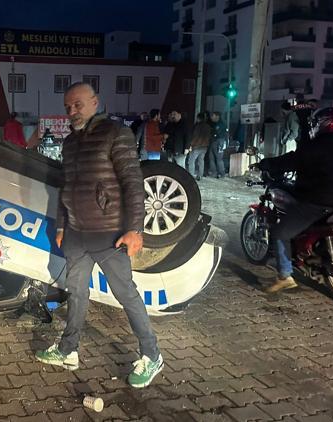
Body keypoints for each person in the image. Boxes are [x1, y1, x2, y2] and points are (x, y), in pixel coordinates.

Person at [35, 82, 162, 389]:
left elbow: (133, 183)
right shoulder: (70, 143)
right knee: (76, 293)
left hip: (110, 234)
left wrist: (135, 229)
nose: (71, 112)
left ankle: (152, 355)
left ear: (95, 102)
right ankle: (68, 350)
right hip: (77, 235)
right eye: (67, 107)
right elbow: (66, 187)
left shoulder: (116, 133)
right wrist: (63, 226)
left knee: (126, 295)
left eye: (77, 104)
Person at [252, 107, 333, 293]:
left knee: (280, 232)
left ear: (323, 124)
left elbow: (291, 160)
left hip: (320, 202)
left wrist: (266, 164)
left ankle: (284, 276)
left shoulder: (317, 147)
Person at [188, 112, 212, 181]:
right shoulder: (208, 126)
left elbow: (195, 136)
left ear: (198, 118)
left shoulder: (197, 126)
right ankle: (200, 176)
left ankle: (191, 176)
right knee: (201, 161)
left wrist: (191, 144)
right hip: (204, 147)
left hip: (196, 146)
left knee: (191, 161)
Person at [207, 112, 227, 178]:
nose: (211, 117)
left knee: (219, 158)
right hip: (213, 142)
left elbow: (217, 133)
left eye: (213, 116)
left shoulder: (220, 124)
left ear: (217, 116)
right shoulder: (214, 124)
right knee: (211, 157)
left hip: (219, 142)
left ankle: (222, 173)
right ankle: (214, 172)